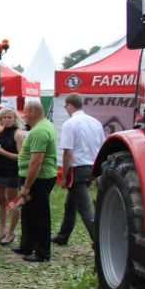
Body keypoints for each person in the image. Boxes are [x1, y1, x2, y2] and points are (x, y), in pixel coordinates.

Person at [52, 93, 105, 245]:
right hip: (92, 167)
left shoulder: (70, 123)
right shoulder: (95, 122)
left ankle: (99, 243)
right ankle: (63, 236)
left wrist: (63, 176)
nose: (66, 109)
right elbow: (101, 147)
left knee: (85, 209)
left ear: (70, 105)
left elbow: (68, 153)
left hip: (77, 169)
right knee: (71, 204)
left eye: (66, 106)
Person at [13, 100, 57, 262]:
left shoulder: (40, 131)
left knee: (40, 216)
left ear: (33, 111)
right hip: (34, 178)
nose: (24, 115)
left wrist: (26, 187)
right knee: (28, 213)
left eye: (25, 111)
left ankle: (42, 252)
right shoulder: (41, 126)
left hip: (38, 179)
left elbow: (36, 162)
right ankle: (27, 245)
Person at [0, 106, 25, 245]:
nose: (7, 120)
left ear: (15, 119)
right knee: (1, 201)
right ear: (0, 119)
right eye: (4, 117)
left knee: (13, 203)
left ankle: (11, 231)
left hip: (12, 172)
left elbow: (20, 157)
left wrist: (2, 152)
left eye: (10, 117)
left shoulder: (18, 134)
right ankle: (2, 230)